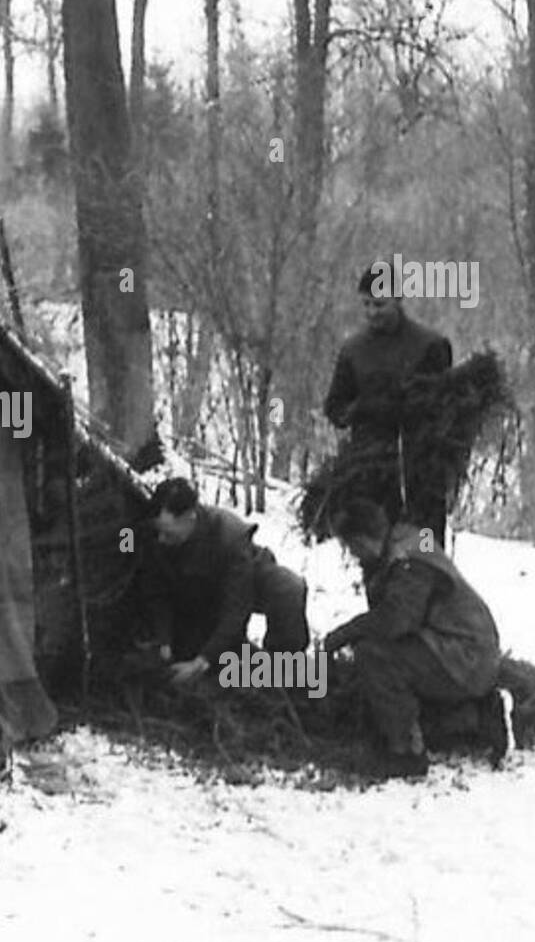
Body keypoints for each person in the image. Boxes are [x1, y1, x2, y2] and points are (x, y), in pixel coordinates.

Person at [323, 498, 514, 779]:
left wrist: (343, 634)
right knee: (392, 666)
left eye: (354, 547)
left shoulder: (408, 563)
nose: (354, 556)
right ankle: (479, 716)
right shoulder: (411, 540)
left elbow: (396, 620)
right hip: (467, 651)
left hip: (464, 655)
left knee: (374, 656)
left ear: (366, 538)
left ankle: (406, 754)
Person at [139, 477, 309, 691]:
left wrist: (202, 662)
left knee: (288, 587)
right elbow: (155, 591)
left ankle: (282, 673)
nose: (161, 539)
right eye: (159, 531)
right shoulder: (151, 536)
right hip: (195, 598)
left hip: (243, 583)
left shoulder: (229, 535)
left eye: (168, 533)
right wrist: (164, 640)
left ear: (190, 517)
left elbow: (237, 607)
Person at [323, 265, 453, 544]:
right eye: (366, 305)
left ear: (397, 299)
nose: (372, 312)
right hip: (369, 471)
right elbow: (335, 407)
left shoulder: (430, 346)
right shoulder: (353, 350)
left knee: (425, 555)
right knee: (377, 557)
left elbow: (446, 410)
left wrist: (409, 406)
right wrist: (362, 409)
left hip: (421, 473)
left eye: (379, 305)